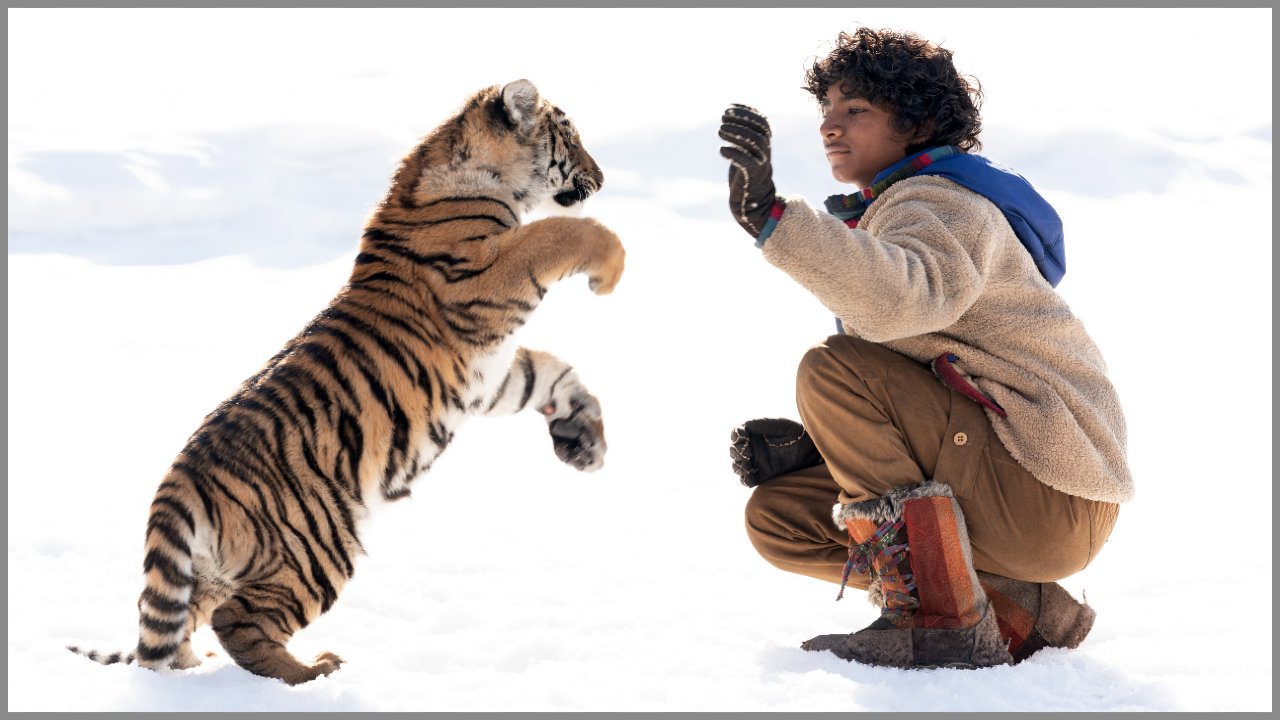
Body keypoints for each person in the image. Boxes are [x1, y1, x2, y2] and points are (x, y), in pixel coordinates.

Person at [718, 26, 1132, 669]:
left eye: (855, 111)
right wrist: (825, 449)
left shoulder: (943, 201)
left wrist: (774, 219)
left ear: (917, 122)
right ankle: (1019, 607)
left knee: (833, 371)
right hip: (1021, 492)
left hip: (1049, 488)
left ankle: (939, 620)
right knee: (778, 517)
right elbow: (926, 363)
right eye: (826, 112)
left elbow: (906, 297)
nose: (830, 127)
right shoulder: (901, 207)